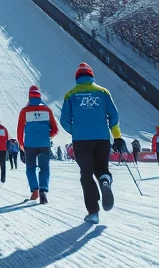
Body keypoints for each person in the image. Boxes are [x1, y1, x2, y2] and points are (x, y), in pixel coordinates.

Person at [59, 62, 125, 224]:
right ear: (91, 76)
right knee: (102, 168)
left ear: (77, 78)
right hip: (102, 138)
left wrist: (76, 131)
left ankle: (93, 212)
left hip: (81, 140)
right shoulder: (103, 92)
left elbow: (64, 120)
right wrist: (116, 136)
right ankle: (104, 180)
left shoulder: (70, 95)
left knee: (86, 173)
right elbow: (114, 115)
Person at [17, 85, 58, 203]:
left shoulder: (24, 111)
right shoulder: (47, 110)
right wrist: (47, 135)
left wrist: (21, 143)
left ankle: (34, 190)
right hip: (44, 144)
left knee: (30, 168)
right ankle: (43, 190)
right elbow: (55, 129)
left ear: (29, 97)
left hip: (29, 145)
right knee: (44, 167)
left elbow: (20, 129)